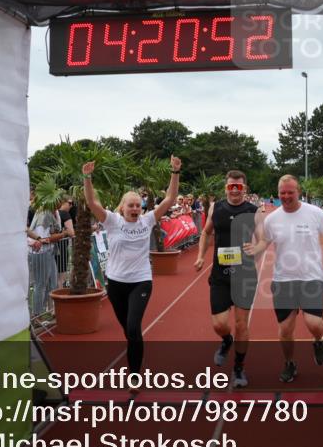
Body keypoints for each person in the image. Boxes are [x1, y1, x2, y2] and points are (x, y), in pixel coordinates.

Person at [83, 155, 181, 380]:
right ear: (123, 207)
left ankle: (134, 374)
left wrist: (175, 172)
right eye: (131, 205)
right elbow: (92, 203)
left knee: (134, 326)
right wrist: (87, 177)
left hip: (141, 280)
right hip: (116, 282)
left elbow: (169, 198)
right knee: (129, 332)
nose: (135, 208)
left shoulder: (147, 220)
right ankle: (137, 352)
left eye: (138, 205)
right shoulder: (112, 221)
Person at [244, 175, 323, 383]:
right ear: (278, 193)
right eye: (282, 193)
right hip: (283, 280)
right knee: (286, 329)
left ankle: (318, 339)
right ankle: (289, 363)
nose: (286, 196)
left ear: (299, 192)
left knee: (313, 323)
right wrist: (254, 249)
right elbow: (265, 243)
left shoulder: (314, 213)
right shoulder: (272, 219)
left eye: (290, 192)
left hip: (312, 277)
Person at [193, 170, 262, 387]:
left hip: (244, 276)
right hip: (220, 276)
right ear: (226, 188)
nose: (234, 190)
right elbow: (205, 233)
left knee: (241, 325)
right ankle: (226, 341)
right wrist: (200, 256)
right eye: (231, 186)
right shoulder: (216, 208)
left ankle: (239, 368)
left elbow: (263, 240)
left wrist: (256, 249)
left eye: (239, 187)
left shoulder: (254, 211)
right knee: (220, 324)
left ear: (245, 189)